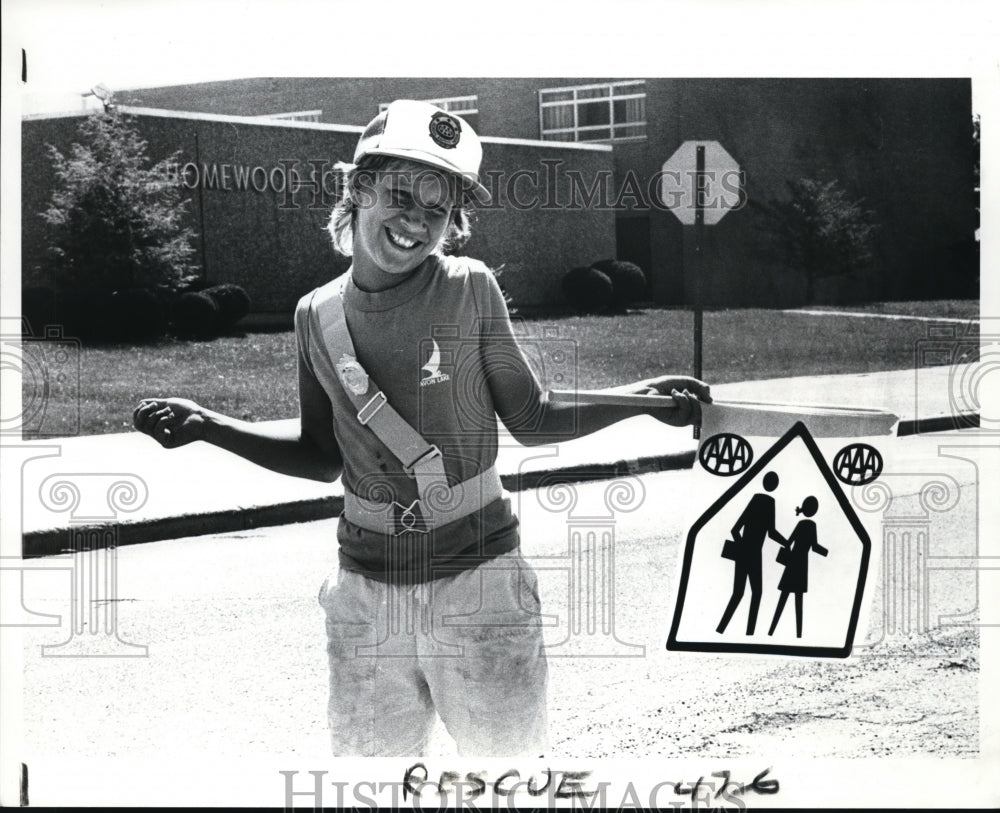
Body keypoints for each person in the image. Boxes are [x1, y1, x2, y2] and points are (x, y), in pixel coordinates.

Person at [133, 99, 711, 757]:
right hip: (367, 591)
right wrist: (212, 426)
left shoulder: (470, 289)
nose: (415, 221)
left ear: (454, 221)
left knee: (506, 780)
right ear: (357, 188)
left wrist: (639, 399)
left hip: (479, 584)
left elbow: (530, 414)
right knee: (370, 785)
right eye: (400, 195)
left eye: (436, 209)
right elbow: (322, 455)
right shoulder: (313, 315)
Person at [716, 470, 786, 635]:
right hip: (754, 555)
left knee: (738, 593)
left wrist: (742, 549)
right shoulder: (769, 502)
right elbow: (771, 532)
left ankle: (721, 629)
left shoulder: (755, 500)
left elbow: (735, 530)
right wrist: (787, 542)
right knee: (756, 593)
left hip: (743, 554)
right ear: (774, 485)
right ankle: (750, 632)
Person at [768, 496, 829, 638]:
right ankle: (798, 634)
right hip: (801, 564)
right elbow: (814, 547)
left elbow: (788, 542)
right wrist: (826, 552)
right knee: (798, 602)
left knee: (782, 599)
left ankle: (771, 631)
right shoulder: (811, 525)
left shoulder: (801, 524)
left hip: (792, 563)